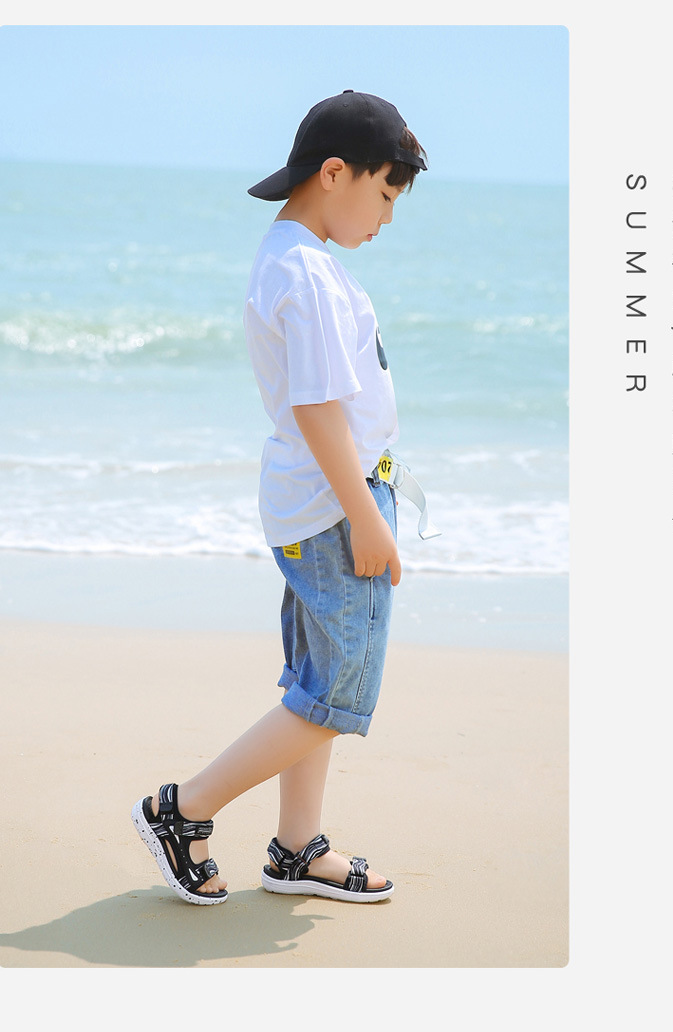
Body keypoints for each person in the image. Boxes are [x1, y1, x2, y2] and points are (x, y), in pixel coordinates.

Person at [131, 90, 430, 905]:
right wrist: (365, 517)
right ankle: (182, 811)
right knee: (333, 695)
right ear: (335, 173)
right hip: (335, 508)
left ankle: (297, 848)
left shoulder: (292, 257)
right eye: (385, 194)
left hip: (315, 501)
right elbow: (317, 408)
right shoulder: (307, 272)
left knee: (315, 684)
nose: (387, 217)